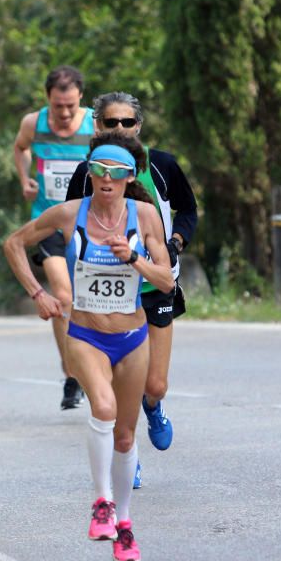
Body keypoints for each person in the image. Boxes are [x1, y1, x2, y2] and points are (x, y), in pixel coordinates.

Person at [4, 132, 174, 561]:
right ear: (90, 173)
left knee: (126, 434)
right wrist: (38, 294)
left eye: (116, 174)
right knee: (102, 406)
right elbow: (14, 244)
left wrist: (132, 258)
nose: (106, 180)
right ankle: (102, 502)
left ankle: (125, 526)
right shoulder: (67, 214)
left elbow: (166, 280)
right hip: (86, 334)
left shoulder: (145, 215)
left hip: (133, 338)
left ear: (129, 178)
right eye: (99, 170)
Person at [66, 92, 198, 488]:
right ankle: (128, 452)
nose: (119, 130)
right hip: (103, 294)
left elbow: (188, 210)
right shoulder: (86, 173)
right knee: (108, 389)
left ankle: (153, 407)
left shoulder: (161, 166)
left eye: (127, 123)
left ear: (138, 127)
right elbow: (68, 225)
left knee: (154, 385)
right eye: (111, 123)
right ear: (97, 126)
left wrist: (175, 242)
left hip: (152, 284)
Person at [13, 66, 95, 410]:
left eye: (70, 106)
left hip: (91, 225)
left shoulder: (96, 124)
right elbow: (20, 149)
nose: (63, 113)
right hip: (49, 224)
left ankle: (94, 365)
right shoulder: (33, 123)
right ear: (48, 99)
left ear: (81, 101)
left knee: (89, 300)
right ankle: (73, 374)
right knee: (62, 296)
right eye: (58, 105)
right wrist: (25, 179)